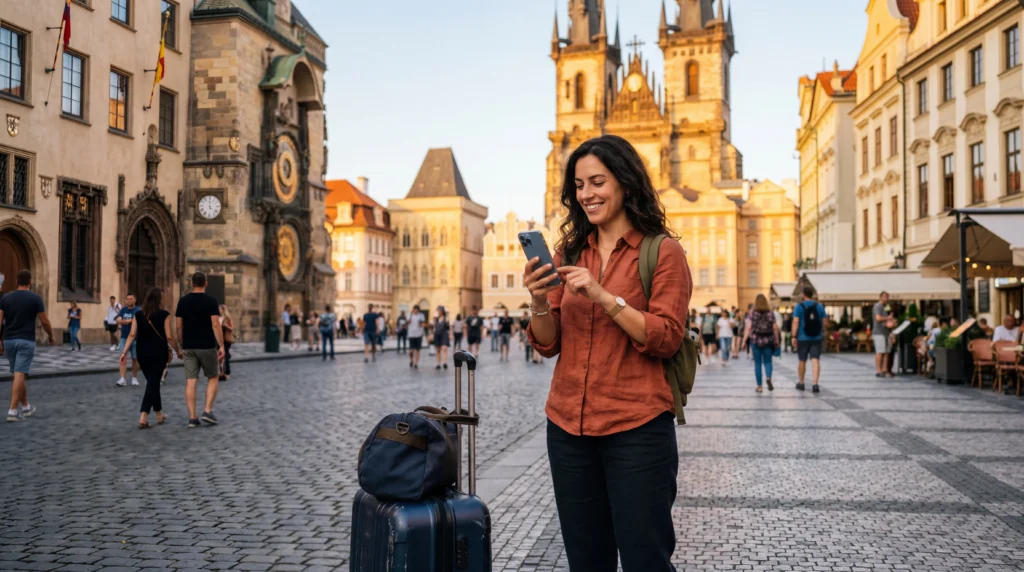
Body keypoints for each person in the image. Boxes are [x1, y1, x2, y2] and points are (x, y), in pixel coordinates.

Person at [524, 135, 689, 571]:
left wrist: (603, 295)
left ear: (626, 183)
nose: (587, 194)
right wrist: (540, 300)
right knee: (587, 560)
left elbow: (666, 336)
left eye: (597, 181)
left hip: (636, 428)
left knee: (645, 559)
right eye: (579, 185)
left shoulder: (662, 252)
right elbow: (548, 342)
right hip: (568, 427)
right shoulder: (569, 252)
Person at [120, 287, 182, 429]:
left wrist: (124, 352)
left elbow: (131, 335)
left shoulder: (138, 314)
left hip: (142, 353)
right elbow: (169, 337)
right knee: (153, 383)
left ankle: (159, 414)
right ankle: (143, 416)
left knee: (152, 383)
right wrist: (178, 350)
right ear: (159, 299)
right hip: (158, 353)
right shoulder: (164, 315)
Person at [1, 270, 54, 422]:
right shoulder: (35, 298)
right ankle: (12, 411)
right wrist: (50, 336)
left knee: (19, 374)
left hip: (9, 341)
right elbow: (44, 321)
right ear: (30, 281)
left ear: (17, 281)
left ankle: (26, 407)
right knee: (19, 374)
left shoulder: (6, 298)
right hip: (26, 340)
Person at [175, 272, 225, 428]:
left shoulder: (182, 301)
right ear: (206, 283)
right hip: (207, 345)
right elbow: (216, 325)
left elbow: (178, 326)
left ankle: (192, 418)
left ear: (191, 284)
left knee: (191, 380)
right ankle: (207, 410)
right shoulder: (211, 301)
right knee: (213, 376)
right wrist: (221, 345)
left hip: (189, 346)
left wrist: (182, 344)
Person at [744, 294, 780, 393]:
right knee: (768, 362)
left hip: (755, 340)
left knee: (758, 363)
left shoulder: (753, 313)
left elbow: (748, 328)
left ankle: (759, 386)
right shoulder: (770, 313)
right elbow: (775, 328)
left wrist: (744, 341)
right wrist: (776, 340)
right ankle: (768, 378)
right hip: (768, 340)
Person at [792, 285, 825, 393]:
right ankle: (815, 384)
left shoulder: (799, 307)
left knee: (802, 360)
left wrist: (793, 336)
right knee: (815, 360)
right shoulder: (819, 306)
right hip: (816, 337)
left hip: (802, 337)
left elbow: (796, 321)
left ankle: (801, 383)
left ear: (803, 294)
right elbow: (825, 322)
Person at [116, 294, 141, 387]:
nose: (129, 300)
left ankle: (134, 378)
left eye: (131, 299)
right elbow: (118, 320)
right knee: (122, 358)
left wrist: (126, 321)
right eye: (127, 299)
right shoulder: (123, 310)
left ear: (135, 300)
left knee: (135, 359)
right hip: (124, 338)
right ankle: (122, 379)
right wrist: (129, 321)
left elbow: (139, 321)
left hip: (135, 338)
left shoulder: (138, 310)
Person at [872, 291, 895, 378]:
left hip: (887, 332)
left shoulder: (886, 306)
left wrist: (892, 321)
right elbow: (878, 318)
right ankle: (878, 370)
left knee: (886, 352)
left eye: (887, 297)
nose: (886, 298)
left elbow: (889, 316)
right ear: (880, 297)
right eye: (884, 296)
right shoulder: (878, 306)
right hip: (879, 332)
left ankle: (885, 370)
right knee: (880, 351)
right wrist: (888, 318)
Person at [219, 305, 234, 381]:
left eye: (220, 309)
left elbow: (232, 328)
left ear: (224, 310)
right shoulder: (217, 318)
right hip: (219, 339)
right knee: (220, 355)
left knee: (225, 355)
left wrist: (225, 325)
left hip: (226, 339)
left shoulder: (228, 319)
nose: (219, 311)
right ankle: (221, 372)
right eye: (218, 309)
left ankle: (227, 372)